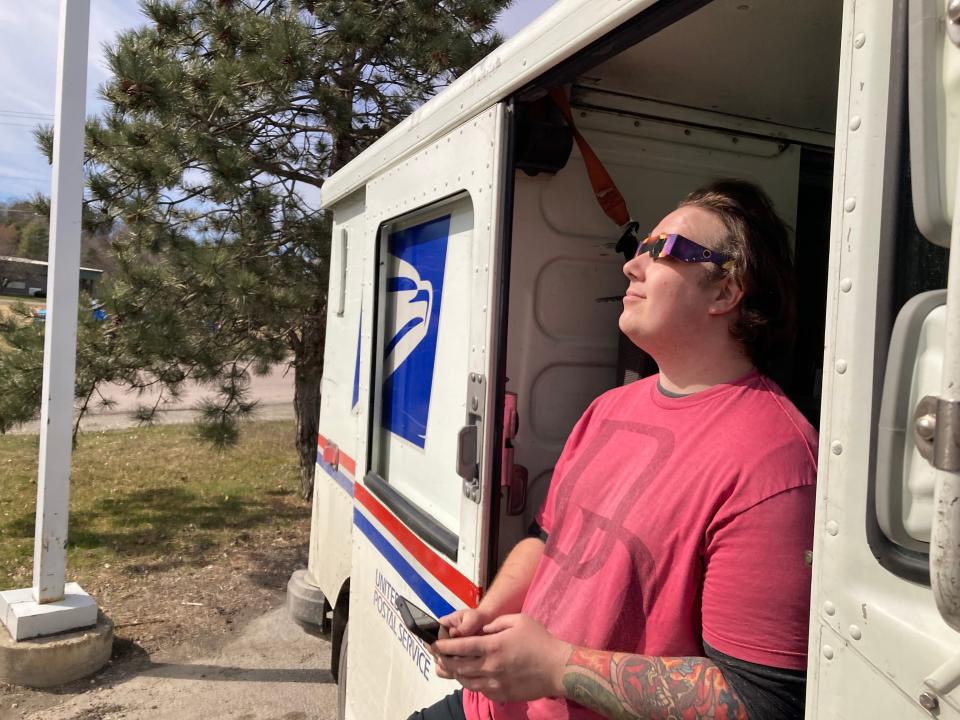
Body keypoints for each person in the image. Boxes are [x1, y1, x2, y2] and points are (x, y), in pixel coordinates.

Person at [410, 179, 817, 720]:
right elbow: (549, 538)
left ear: (726, 292)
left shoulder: (777, 461)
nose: (633, 265)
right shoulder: (610, 408)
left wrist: (556, 668)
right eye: (641, 248)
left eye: (666, 249)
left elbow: (759, 701)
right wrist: (485, 620)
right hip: (486, 708)